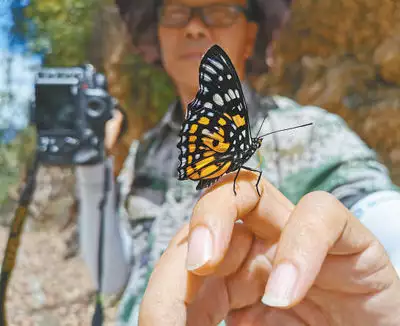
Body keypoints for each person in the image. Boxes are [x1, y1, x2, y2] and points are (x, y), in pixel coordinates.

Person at [75, 0, 400, 324]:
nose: (194, 27)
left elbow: (374, 207)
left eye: (219, 11)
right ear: (157, 35)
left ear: (250, 35)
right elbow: (112, 281)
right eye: (176, 14)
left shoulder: (311, 131)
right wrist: (91, 168)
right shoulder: (144, 151)